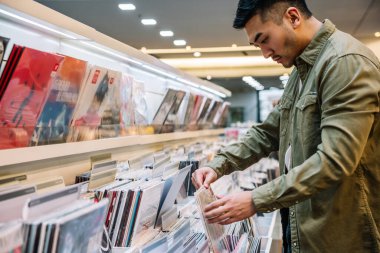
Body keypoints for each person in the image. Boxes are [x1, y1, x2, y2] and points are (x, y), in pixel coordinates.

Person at [191, 0, 380, 252]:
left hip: (341, 237)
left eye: (265, 39)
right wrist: (219, 164)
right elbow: (268, 132)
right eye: (257, 45)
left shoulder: (344, 62)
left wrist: (256, 200)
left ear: (293, 17)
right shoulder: (300, 70)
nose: (265, 53)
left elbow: (335, 160)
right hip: (304, 228)